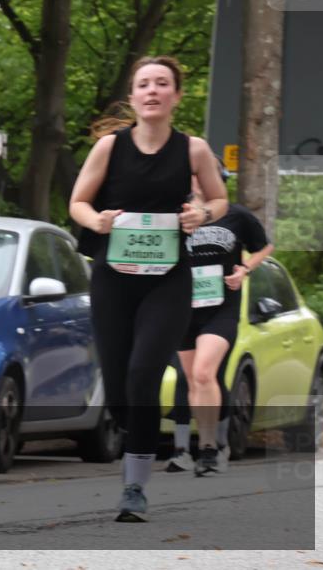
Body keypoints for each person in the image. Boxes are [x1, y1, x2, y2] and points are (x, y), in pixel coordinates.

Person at [69, 56, 228, 522]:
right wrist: (96, 220)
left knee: (144, 374)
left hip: (168, 281)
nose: (152, 91)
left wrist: (202, 214)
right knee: (121, 388)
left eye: (162, 83)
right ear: (133, 96)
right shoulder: (110, 147)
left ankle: (134, 487)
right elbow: (77, 202)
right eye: (144, 84)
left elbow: (220, 199)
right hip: (114, 279)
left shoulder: (194, 150)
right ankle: (132, 428)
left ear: (176, 95)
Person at [165, 163, 273, 475]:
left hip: (221, 307)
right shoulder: (175, 215)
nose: (200, 181)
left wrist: (244, 269)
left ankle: (209, 448)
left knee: (203, 373)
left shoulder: (236, 215)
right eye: (196, 175)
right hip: (182, 308)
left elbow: (264, 246)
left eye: (208, 176)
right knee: (192, 380)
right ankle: (199, 448)